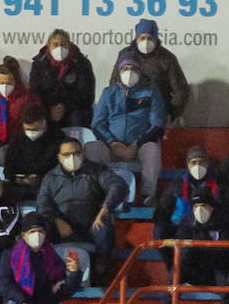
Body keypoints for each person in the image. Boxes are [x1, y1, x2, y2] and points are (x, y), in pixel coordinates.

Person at [36, 137, 128, 263]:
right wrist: (57, 220)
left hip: (91, 225)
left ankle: (101, 267)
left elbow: (118, 185)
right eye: (67, 154)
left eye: (77, 153)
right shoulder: (51, 177)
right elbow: (42, 203)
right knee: (40, 227)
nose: (72, 157)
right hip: (61, 227)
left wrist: (105, 208)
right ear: (59, 157)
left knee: (104, 228)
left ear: (83, 153)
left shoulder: (97, 170)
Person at [92, 56, 166, 204]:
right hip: (112, 146)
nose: (129, 72)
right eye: (125, 69)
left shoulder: (151, 92)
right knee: (91, 148)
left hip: (139, 146)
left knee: (152, 149)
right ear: (119, 72)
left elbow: (158, 125)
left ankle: (148, 196)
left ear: (140, 72)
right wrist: (112, 143)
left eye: (133, 69)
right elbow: (97, 124)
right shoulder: (109, 92)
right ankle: (96, 194)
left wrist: (136, 145)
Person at [0, 212, 84, 304]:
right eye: (32, 232)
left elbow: (63, 291)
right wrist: (22, 301)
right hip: (17, 301)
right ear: (24, 236)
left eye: (40, 231)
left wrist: (75, 273)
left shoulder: (52, 258)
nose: (37, 235)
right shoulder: (10, 255)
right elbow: (2, 283)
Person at [108, 19, 189, 123]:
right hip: (129, 113)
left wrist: (171, 113)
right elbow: (114, 84)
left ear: (155, 39)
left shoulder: (167, 58)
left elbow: (181, 90)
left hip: (157, 114)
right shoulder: (125, 55)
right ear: (137, 38)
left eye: (149, 38)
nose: (146, 42)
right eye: (142, 38)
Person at [29, 30, 95, 127]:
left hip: (73, 109)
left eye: (63, 44)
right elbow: (35, 91)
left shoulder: (82, 63)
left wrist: (64, 107)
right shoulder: (39, 64)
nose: (59, 48)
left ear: (69, 45)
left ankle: (76, 141)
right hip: (47, 108)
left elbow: (87, 95)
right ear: (49, 45)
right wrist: (50, 109)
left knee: (76, 116)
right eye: (55, 45)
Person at [2, 107, 62, 205]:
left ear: (44, 122)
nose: (31, 133)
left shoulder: (57, 138)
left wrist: (40, 178)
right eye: (27, 129)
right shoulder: (17, 140)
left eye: (35, 129)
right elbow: (8, 169)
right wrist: (18, 179)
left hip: (46, 185)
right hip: (20, 186)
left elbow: (60, 169)